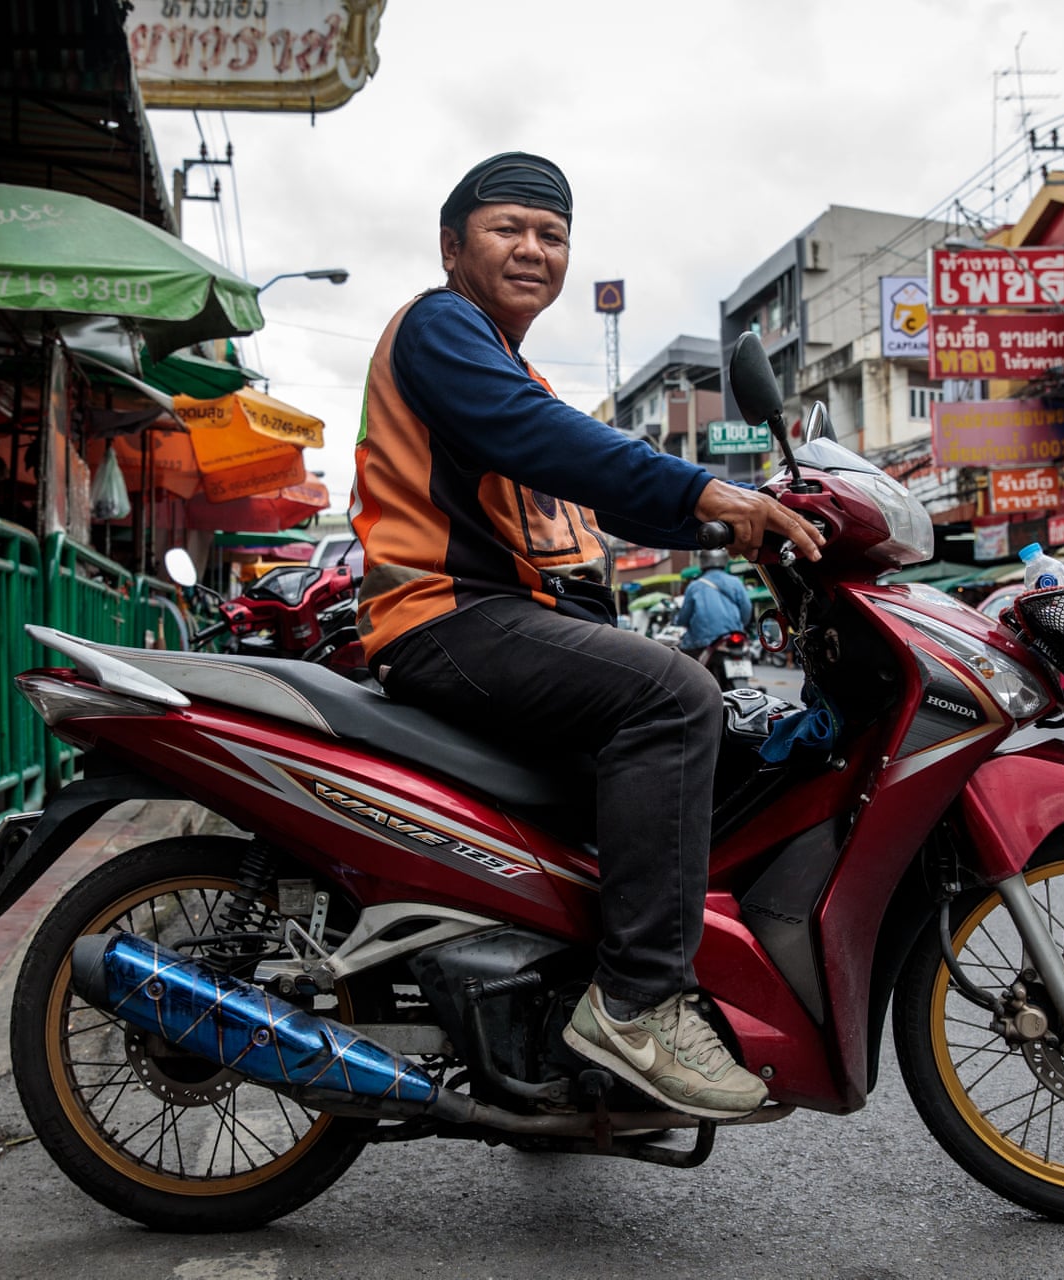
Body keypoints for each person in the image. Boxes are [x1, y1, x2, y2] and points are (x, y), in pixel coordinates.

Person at [351, 151, 823, 1119]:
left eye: (552, 234)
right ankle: (637, 1006)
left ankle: (566, 993)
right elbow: (559, 445)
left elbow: (588, 486)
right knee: (675, 696)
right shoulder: (445, 330)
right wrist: (704, 486)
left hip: (500, 622)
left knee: (721, 724)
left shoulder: (505, 365)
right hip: (447, 618)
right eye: (507, 228)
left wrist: (730, 518)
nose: (533, 247)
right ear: (453, 246)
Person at [674, 548, 754, 663]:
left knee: (685, 661)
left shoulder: (695, 586)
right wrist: (741, 625)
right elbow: (746, 608)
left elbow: (685, 615)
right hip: (733, 636)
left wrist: (679, 621)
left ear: (702, 562)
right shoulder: (735, 582)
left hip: (702, 640)